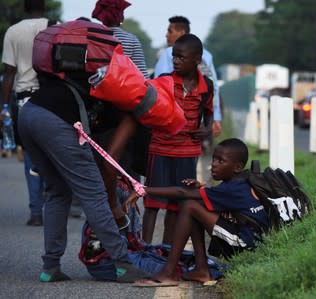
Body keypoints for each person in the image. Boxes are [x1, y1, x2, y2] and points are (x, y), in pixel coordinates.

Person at [17, 47, 148, 284]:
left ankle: (51, 267)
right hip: (55, 123)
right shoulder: (125, 110)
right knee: (94, 194)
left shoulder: (86, 78)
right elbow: (109, 162)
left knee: (57, 191)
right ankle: (123, 264)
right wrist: (113, 205)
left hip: (28, 114)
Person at [124, 138, 268, 285]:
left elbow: (182, 192)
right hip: (254, 241)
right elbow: (209, 195)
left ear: (237, 167)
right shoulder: (242, 180)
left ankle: (169, 272)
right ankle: (202, 270)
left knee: (189, 206)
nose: (213, 164)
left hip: (245, 245)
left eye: (221, 161)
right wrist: (199, 189)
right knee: (194, 205)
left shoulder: (231, 189)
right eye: (214, 159)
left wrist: (145, 190)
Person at [142, 34, 213, 245]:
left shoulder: (206, 86)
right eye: (174, 57)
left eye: (181, 58)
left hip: (187, 151)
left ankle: (166, 248)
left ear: (197, 60)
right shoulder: (163, 81)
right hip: (160, 148)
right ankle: (145, 248)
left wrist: (206, 129)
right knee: (152, 203)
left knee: (177, 204)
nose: (176, 61)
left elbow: (208, 112)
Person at [91, 0, 149, 232]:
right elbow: (143, 80)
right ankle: (128, 232)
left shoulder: (92, 38)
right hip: (126, 115)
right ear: (121, 18)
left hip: (97, 117)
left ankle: (100, 232)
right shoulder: (131, 40)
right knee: (126, 173)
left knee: (100, 174)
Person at [1, 0, 49, 226]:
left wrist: (3, 108)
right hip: (52, 100)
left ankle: (36, 212)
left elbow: (9, 72)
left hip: (25, 102)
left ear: (24, 8)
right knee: (52, 154)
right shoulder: (54, 27)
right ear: (44, 7)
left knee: (31, 156)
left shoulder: (13, 31)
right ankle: (54, 203)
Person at [153, 16, 222, 137]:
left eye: (170, 31)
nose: (166, 35)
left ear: (182, 33)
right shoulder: (206, 55)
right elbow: (214, 86)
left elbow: (158, 87)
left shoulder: (168, 53)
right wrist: (215, 118)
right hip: (198, 120)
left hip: (172, 120)